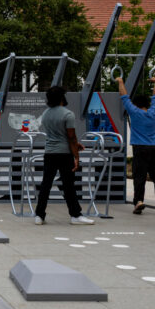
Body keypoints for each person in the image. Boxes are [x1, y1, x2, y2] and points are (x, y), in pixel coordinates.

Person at [34, 86, 94, 225]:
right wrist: (76, 156)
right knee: (68, 185)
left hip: (49, 153)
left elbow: (58, 135)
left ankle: (39, 216)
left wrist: (75, 144)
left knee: (46, 184)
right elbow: (71, 137)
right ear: (62, 97)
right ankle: (75, 215)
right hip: (64, 154)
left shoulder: (46, 114)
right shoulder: (68, 114)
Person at [116, 76, 155, 215]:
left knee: (139, 176)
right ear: (147, 103)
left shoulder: (134, 112)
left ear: (136, 104)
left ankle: (139, 201)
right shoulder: (154, 111)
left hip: (140, 148)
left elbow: (124, 96)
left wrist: (121, 81)